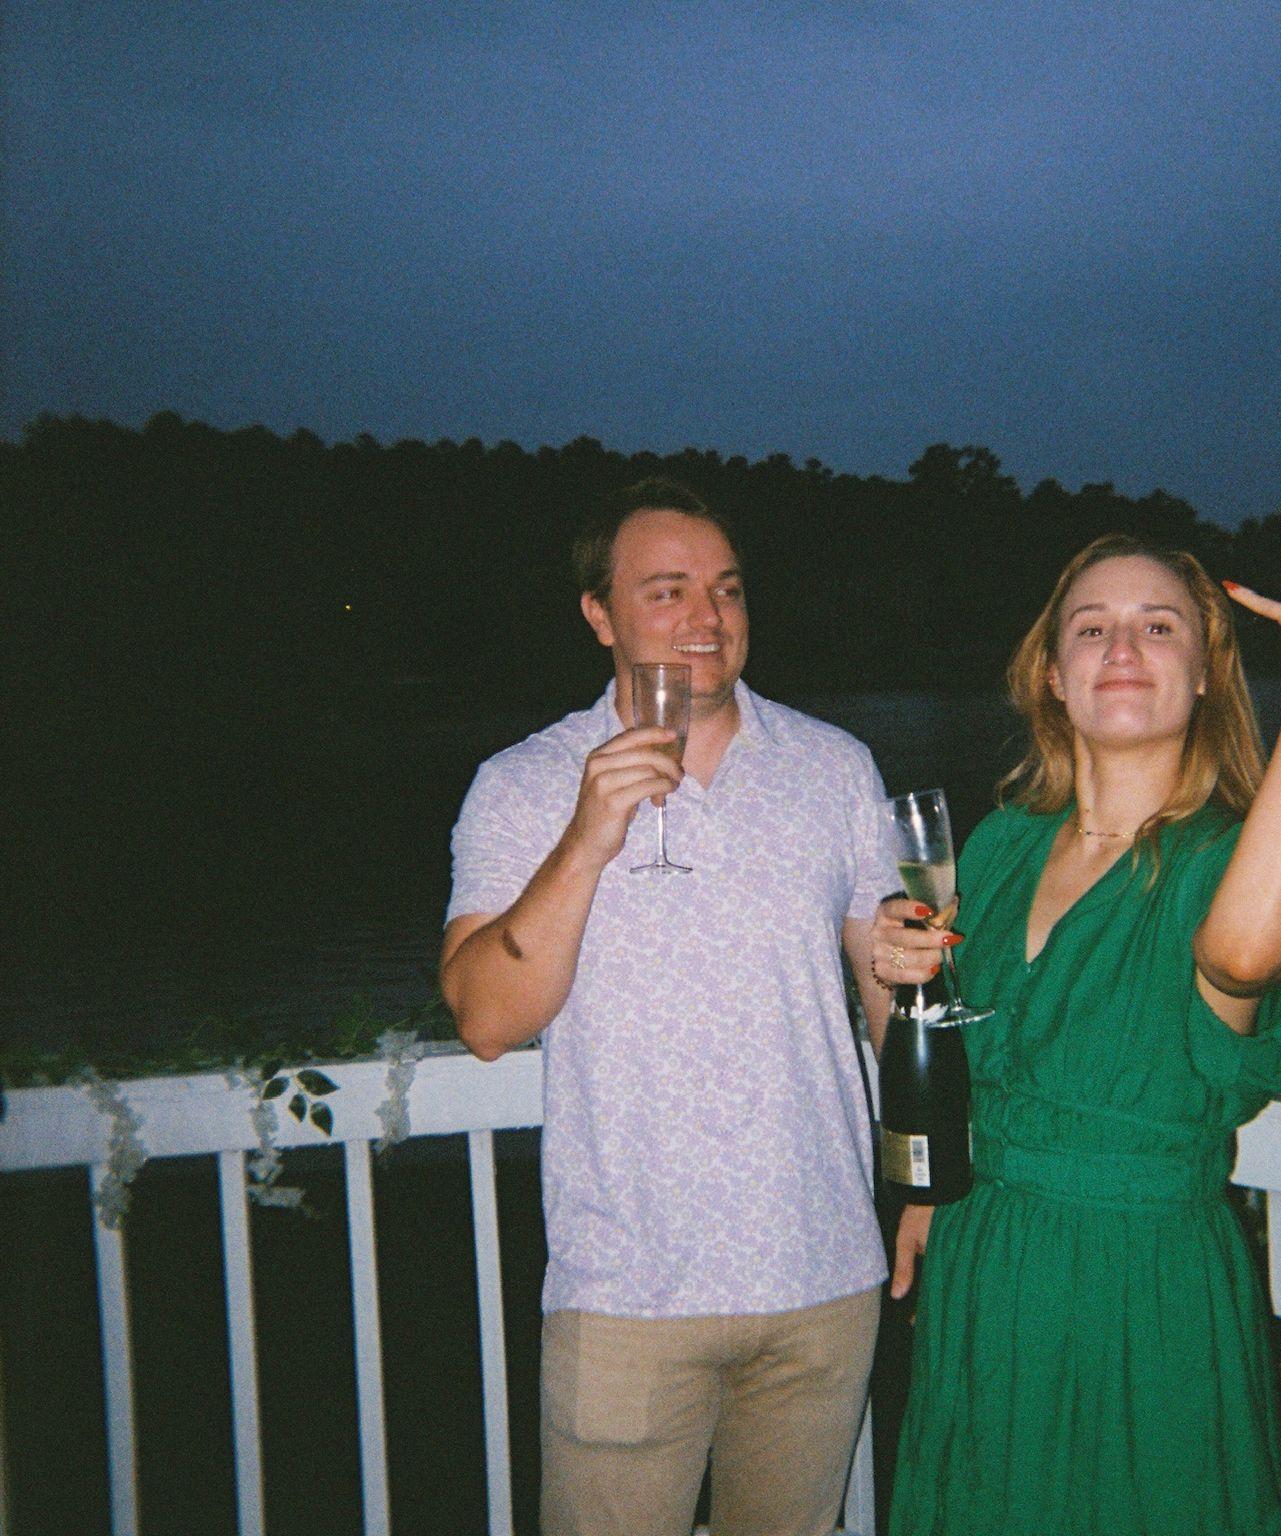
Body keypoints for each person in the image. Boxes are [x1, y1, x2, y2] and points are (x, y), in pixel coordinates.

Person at [872, 491, 1281, 1535]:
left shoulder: (1227, 854)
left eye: (1159, 626)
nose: (1123, 648)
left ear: (1205, 672)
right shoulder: (1000, 845)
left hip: (1140, 1289)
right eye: (1091, 628)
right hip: (981, 1268)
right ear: (1054, 676)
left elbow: (1246, 955)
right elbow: (958, 1049)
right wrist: (899, 973)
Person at [439, 478, 895, 1536]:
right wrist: (586, 837)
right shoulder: (523, 783)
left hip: (823, 1278)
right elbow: (486, 1019)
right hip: (627, 1294)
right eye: (666, 591)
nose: (707, 617)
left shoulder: (833, 767)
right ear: (599, 615)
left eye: (726, 589)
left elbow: (890, 992)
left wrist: (923, 1186)